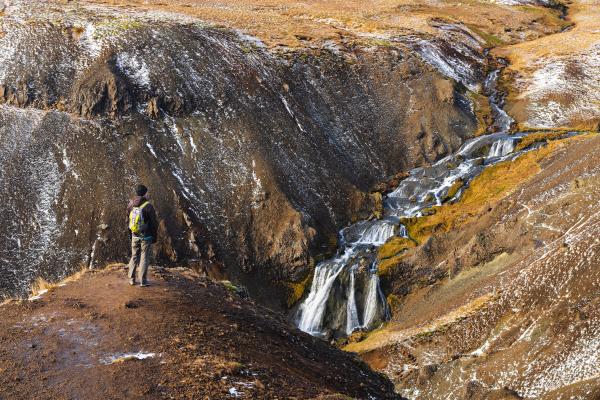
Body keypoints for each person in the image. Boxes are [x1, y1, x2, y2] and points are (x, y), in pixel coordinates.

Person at [127, 184, 158, 287]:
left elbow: (128, 220)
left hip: (134, 234)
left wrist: (130, 234)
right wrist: (154, 237)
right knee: (144, 256)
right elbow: (154, 223)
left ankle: (131, 279)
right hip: (146, 236)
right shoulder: (148, 206)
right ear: (145, 193)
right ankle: (143, 281)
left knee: (134, 256)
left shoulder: (130, 204)